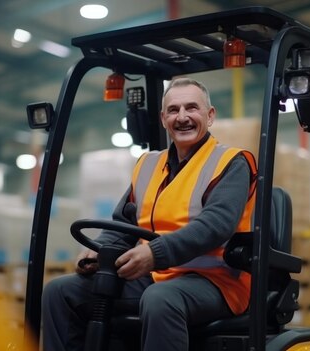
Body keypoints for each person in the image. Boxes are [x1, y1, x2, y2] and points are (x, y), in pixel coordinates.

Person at [42, 77, 257, 351]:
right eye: (173, 110)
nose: (182, 117)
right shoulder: (148, 165)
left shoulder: (231, 162)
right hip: (154, 275)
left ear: (210, 115)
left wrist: (155, 253)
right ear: (163, 118)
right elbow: (124, 222)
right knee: (59, 292)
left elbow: (216, 225)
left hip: (216, 282)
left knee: (160, 299)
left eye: (192, 108)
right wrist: (101, 250)